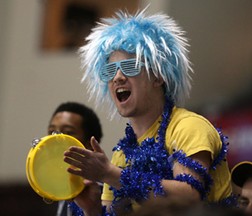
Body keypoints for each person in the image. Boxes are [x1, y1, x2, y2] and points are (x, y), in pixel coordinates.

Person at [63, 8, 235, 216]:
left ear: (158, 77)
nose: (117, 77)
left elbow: (188, 196)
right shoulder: (121, 155)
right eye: (110, 70)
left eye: (129, 66)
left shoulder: (188, 126)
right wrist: (91, 209)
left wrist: (110, 173)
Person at [48, 102, 103, 216]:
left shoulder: (104, 191)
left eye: (68, 132)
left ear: (89, 145)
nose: (55, 139)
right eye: (51, 132)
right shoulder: (52, 187)